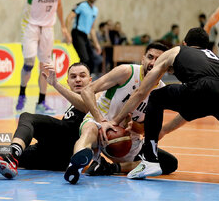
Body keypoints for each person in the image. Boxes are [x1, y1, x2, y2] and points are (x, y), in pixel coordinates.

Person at [110, 27, 219, 185]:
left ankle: (150, 160)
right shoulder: (212, 56)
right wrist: (164, 130)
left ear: (184, 43)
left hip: (203, 87)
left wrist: (116, 120)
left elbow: (141, 92)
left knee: (155, 96)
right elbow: (190, 110)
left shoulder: (175, 51)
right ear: (206, 46)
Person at [0, 63, 91, 178]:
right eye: (73, 77)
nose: (77, 79)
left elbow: (85, 106)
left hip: (68, 148)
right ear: (69, 81)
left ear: (90, 80)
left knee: (28, 117)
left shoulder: (96, 96)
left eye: (82, 76)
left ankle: (11, 156)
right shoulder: (73, 101)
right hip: (53, 156)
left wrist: (56, 85)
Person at [63, 42, 181, 184]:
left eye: (158, 59)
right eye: (150, 57)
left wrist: (133, 125)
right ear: (143, 59)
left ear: (166, 65)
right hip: (100, 123)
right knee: (89, 131)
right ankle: (75, 165)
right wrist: (101, 121)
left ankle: (110, 167)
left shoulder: (161, 91)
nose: (152, 62)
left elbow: (144, 129)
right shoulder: (127, 72)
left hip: (124, 140)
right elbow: (87, 90)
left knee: (169, 163)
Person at [11, 0, 71, 115]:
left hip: (48, 28)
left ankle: (41, 102)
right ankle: (22, 94)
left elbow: (59, 5)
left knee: (45, 66)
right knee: (29, 63)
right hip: (30, 26)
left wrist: (63, 27)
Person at [66, 0, 102, 74]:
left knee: (92, 60)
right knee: (84, 59)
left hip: (85, 36)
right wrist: (68, 35)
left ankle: (87, 81)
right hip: (77, 33)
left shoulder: (95, 10)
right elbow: (69, 18)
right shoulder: (81, 5)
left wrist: (97, 44)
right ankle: (78, 79)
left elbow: (92, 29)